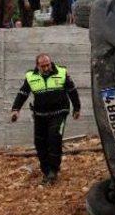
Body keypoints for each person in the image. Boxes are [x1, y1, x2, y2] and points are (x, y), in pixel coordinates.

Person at [10, 54, 81, 184]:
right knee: (40, 142)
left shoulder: (62, 72)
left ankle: (53, 170)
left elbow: (72, 90)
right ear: (37, 66)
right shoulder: (31, 77)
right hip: (40, 115)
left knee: (54, 138)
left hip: (59, 112)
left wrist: (77, 108)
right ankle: (46, 170)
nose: (46, 68)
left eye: (48, 64)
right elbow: (23, 93)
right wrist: (16, 110)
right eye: (43, 66)